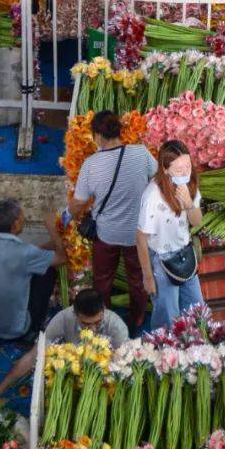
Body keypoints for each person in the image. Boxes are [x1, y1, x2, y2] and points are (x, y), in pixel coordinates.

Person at [71, 110, 156, 334]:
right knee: (137, 281)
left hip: (106, 235)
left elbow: (79, 202)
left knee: (103, 280)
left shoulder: (91, 164)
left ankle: (103, 321)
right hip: (136, 235)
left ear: (98, 136)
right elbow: (158, 181)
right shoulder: (141, 154)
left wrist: (68, 215)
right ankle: (136, 320)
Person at [0, 287, 128, 405]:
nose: (92, 330)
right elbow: (34, 355)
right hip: (72, 372)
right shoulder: (64, 318)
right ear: (75, 313)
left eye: (97, 322)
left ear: (104, 310)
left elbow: (123, 367)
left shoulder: (117, 327)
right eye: (86, 324)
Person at [0, 198, 66, 344]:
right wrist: (52, 229)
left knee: (35, 268)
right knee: (48, 272)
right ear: (15, 224)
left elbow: (32, 254)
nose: (24, 219)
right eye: (22, 217)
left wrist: (48, 246)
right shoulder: (25, 253)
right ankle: (35, 327)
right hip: (14, 331)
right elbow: (62, 258)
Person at [136, 140, 203, 331]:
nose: (186, 172)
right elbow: (141, 239)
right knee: (169, 317)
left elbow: (197, 222)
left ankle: (198, 350)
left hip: (185, 253)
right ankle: (169, 355)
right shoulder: (152, 196)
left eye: (188, 166)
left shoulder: (189, 185)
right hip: (161, 261)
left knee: (197, 310)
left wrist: (189, 203)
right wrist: (148, 277)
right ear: (165, 170)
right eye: (179, 169)